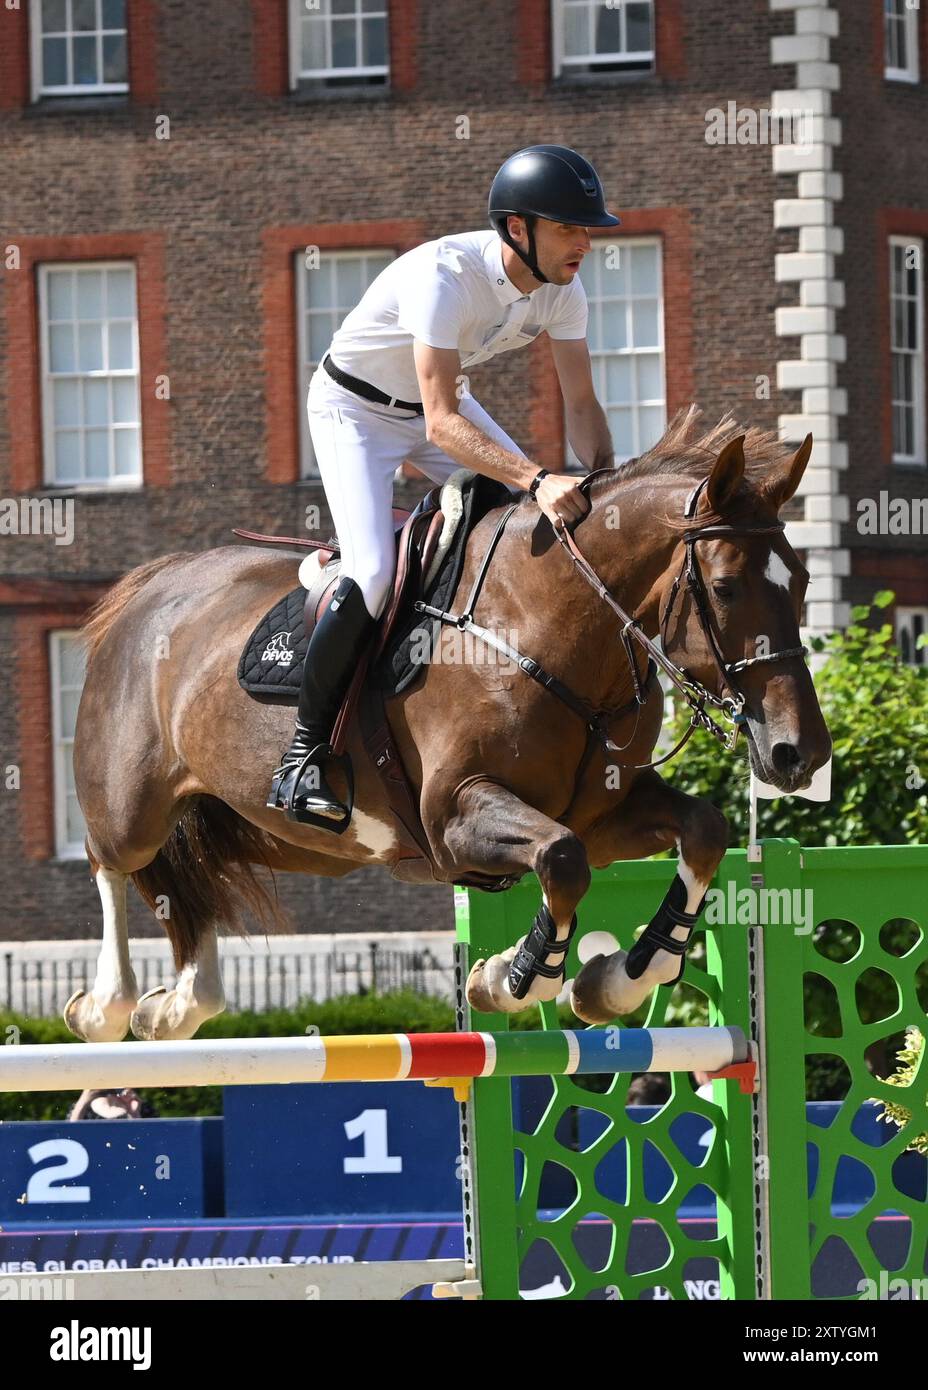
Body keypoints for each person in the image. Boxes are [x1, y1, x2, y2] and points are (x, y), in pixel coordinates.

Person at [267, 144, 620, 828]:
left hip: (439, 410)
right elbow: (442, 421)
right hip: (356, 411)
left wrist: (604, 483)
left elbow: (581, 403)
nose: (585, 241)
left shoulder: (564, 290)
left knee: (526, 519)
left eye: (587, 228)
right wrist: (539, 476)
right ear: (519, 229)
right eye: (569, 227)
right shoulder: (444, 276)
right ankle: (303, 755)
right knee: (371, 573)